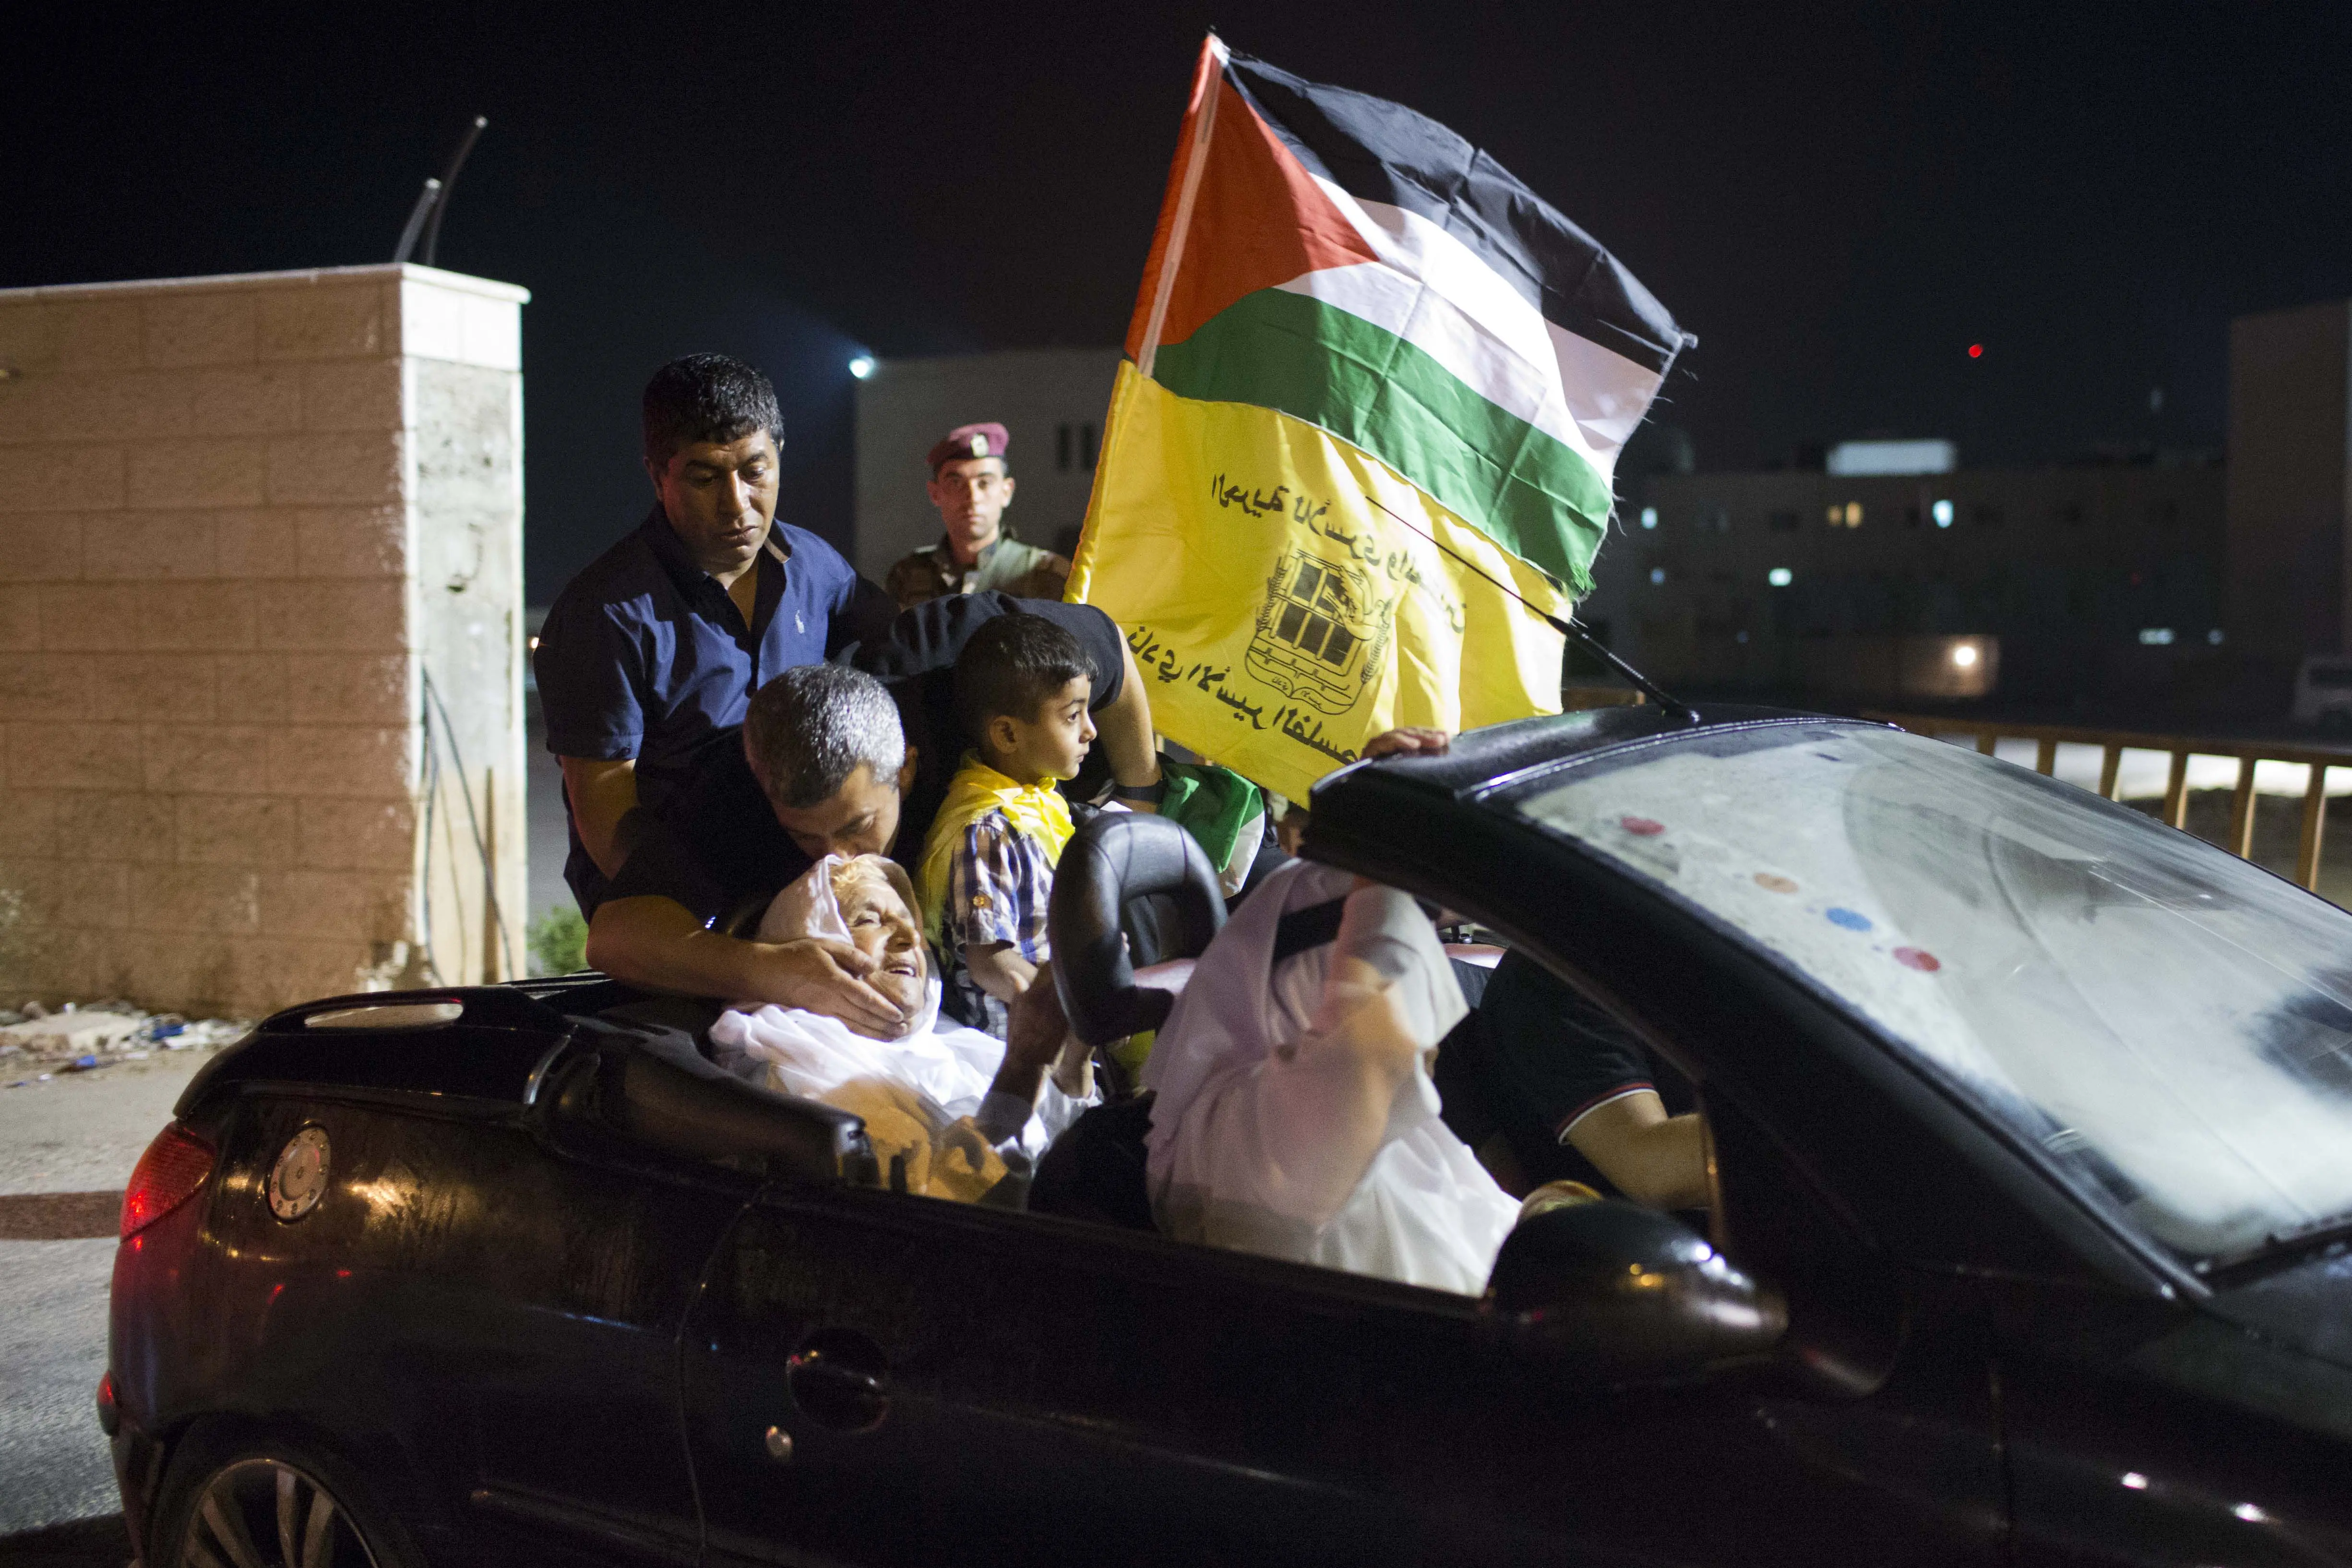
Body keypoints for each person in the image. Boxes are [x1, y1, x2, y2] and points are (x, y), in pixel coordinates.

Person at [585, 594, 1162, 1029]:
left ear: (906, 769)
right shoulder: (738, 789)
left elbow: (1108, 643)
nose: (836, 857)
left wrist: (1142, 800)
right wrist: (768, 970)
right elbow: (616, 937)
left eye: (857, 827)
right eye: (803, 837)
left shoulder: (960, 663)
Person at [535, 353, 895, 917]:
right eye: (705, 479)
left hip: (801, 889)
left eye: (755, 472)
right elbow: (607, 821)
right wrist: (715, 923)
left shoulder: (814, 568)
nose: (738, 505)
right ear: (659, 476)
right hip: (673, 918)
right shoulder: (603, 614)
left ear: (779, 456)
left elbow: (900, 649)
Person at [1142, 857, 1524, 1295]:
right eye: (1401, 984)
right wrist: (1384, 877)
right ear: (1292, 980)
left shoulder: (1374, 1122)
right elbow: (1370, 1052)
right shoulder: (1240, 1134)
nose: (1423, 1022)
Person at [710, 854, 1094, 1202]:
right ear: (817, 947)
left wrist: (1076, 1051)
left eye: (909, 922)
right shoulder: (792, 1054)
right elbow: (931, 1205)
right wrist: (1022, 1067)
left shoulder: (947, 1041)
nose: (910, 937)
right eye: (870, 919)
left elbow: (1069, 1148)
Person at [917, 613, 1097, 1035]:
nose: (1090, 730)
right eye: (1072, 716)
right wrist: (1078, 1014)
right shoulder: (987, 831)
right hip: (1012, 1044)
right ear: (1008, 735)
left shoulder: (1043, 805)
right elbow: (990, 964)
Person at [882, 423, 1071, 610]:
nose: (973, 498)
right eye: (956, 483)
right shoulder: (908, 575)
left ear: (1007, 492)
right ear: (935, 493)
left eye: (985, 483)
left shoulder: (1044, 572)